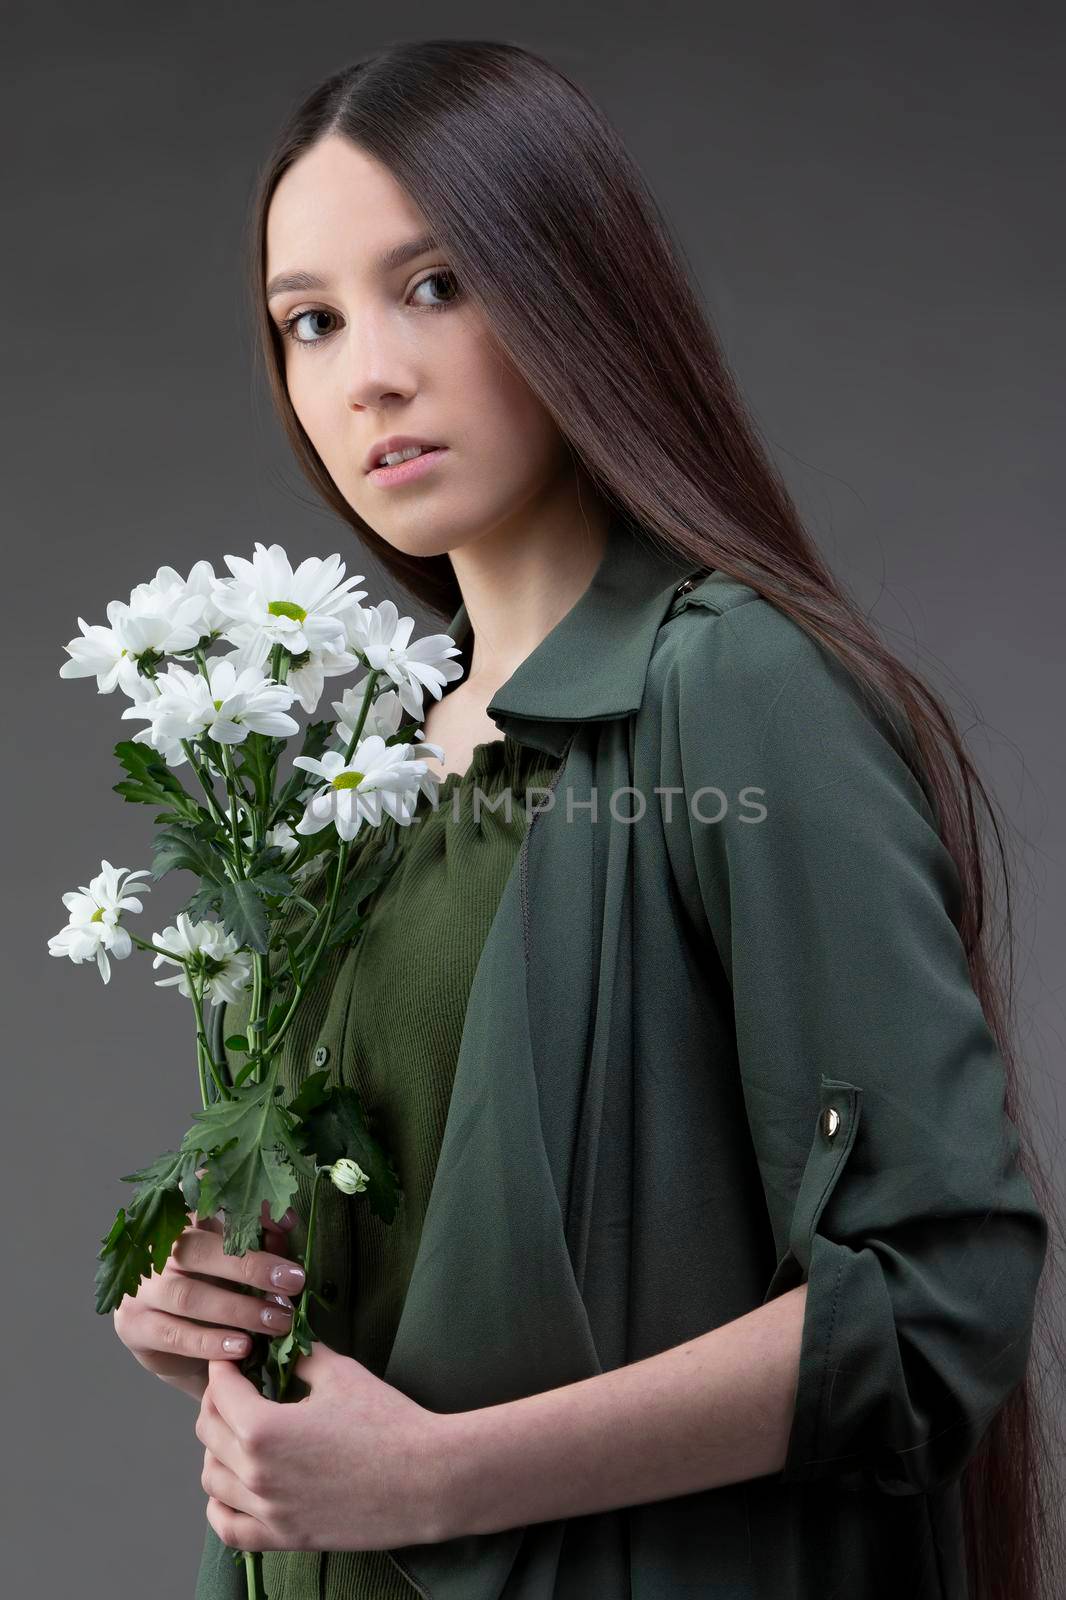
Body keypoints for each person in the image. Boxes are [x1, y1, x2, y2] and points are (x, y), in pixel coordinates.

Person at [112, 38, 1063, 1600]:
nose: (369, 375)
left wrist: (436, 1479)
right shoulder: (358, 767)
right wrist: (206, 1301)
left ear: (567, 286)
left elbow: (934, 1297)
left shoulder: (733, 688)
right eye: (310, 321)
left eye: (434, 286)